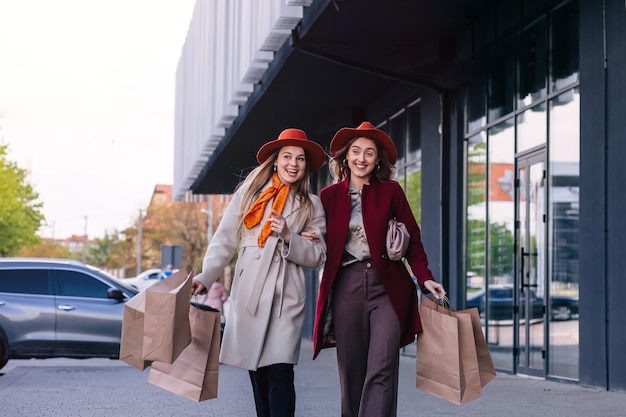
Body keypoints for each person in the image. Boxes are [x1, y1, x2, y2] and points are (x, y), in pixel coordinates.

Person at [311, 121, 446, 417]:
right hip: (346, 285)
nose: (361, 158)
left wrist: (426, 279)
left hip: (388, 288)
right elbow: (316, 238)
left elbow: (414, 241)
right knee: (352, 372)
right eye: (356, 151)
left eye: (369, 153)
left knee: (382, 368)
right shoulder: (328, 196)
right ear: (345, 157)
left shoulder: (391, 192)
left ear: (376, 160)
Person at [191, 128, 327, 417]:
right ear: (275, 161)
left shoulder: (311, 204)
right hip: (249, 290)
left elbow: (319, 255)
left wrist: (291, 236)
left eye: (300, 158)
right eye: (287, 156)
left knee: (280, 371)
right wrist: (206, 276)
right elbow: (225, 239)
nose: (294, 163)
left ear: (306, 165)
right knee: (257, 373)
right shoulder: (250, 193)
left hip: (285, 296)